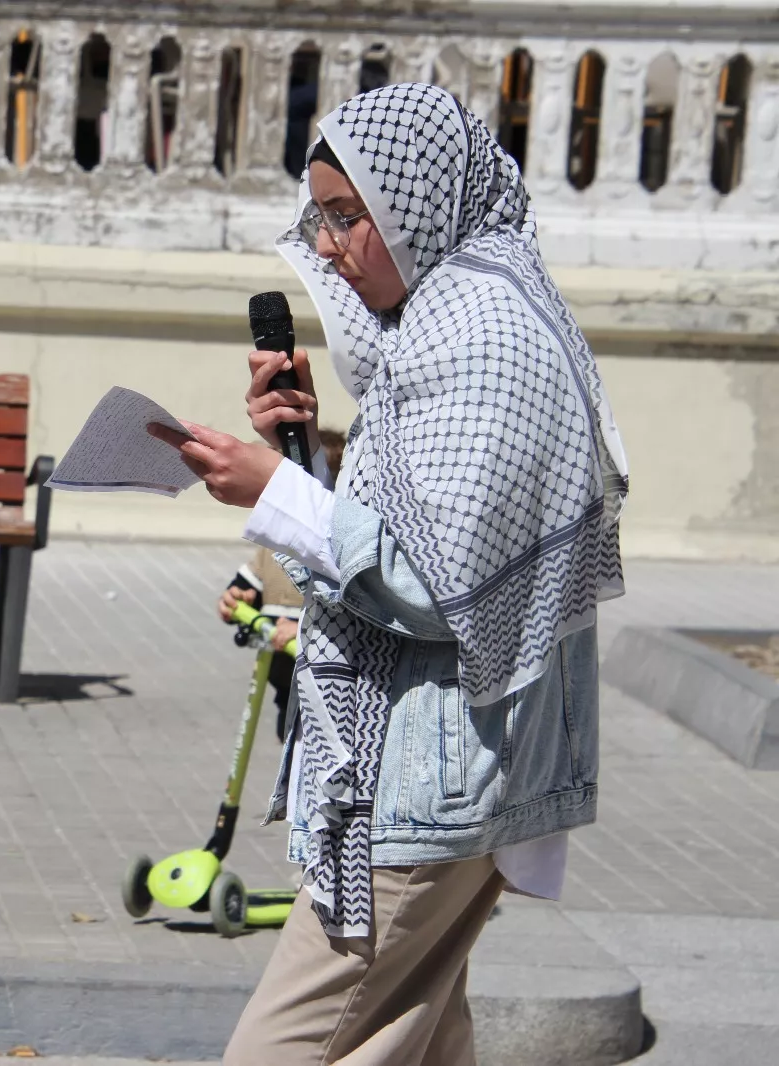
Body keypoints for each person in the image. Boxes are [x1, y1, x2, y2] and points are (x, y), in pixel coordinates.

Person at [150, 83, 627, 1063]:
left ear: (417, 200)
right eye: (319, 215)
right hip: (439, 771)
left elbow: (435, 582)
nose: (325, 245)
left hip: (432, 782)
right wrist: (297, 456)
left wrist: (274, 493)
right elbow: (408, 524)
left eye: (345, 214)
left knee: (281, 1046)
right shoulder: (441, 327)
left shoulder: (483, 343)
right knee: (417, 1038)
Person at [216, 430, 346, 743]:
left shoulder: (336, 554)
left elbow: (345, 608)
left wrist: (302, 629)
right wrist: (238, 597)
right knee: (286, 739)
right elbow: (253, 578)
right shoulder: (274, 545)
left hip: (324, 686)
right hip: (282, 679)